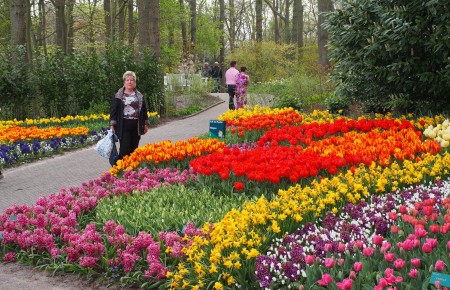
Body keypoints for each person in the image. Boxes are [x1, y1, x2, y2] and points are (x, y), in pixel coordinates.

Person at [110, 71, 149, 165]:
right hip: (123, 126)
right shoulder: (119, 96)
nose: (129, 82)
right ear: (124, 82)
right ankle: (118, 169)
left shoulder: (139, 96)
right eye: (127, 80)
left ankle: (131, 171)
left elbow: (143, 110)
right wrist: (112, 125)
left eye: (132, 80)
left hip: (136, 126)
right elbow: (113, 111)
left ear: (134, 83)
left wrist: (146, 123)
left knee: (134, 150)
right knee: (124, 150)